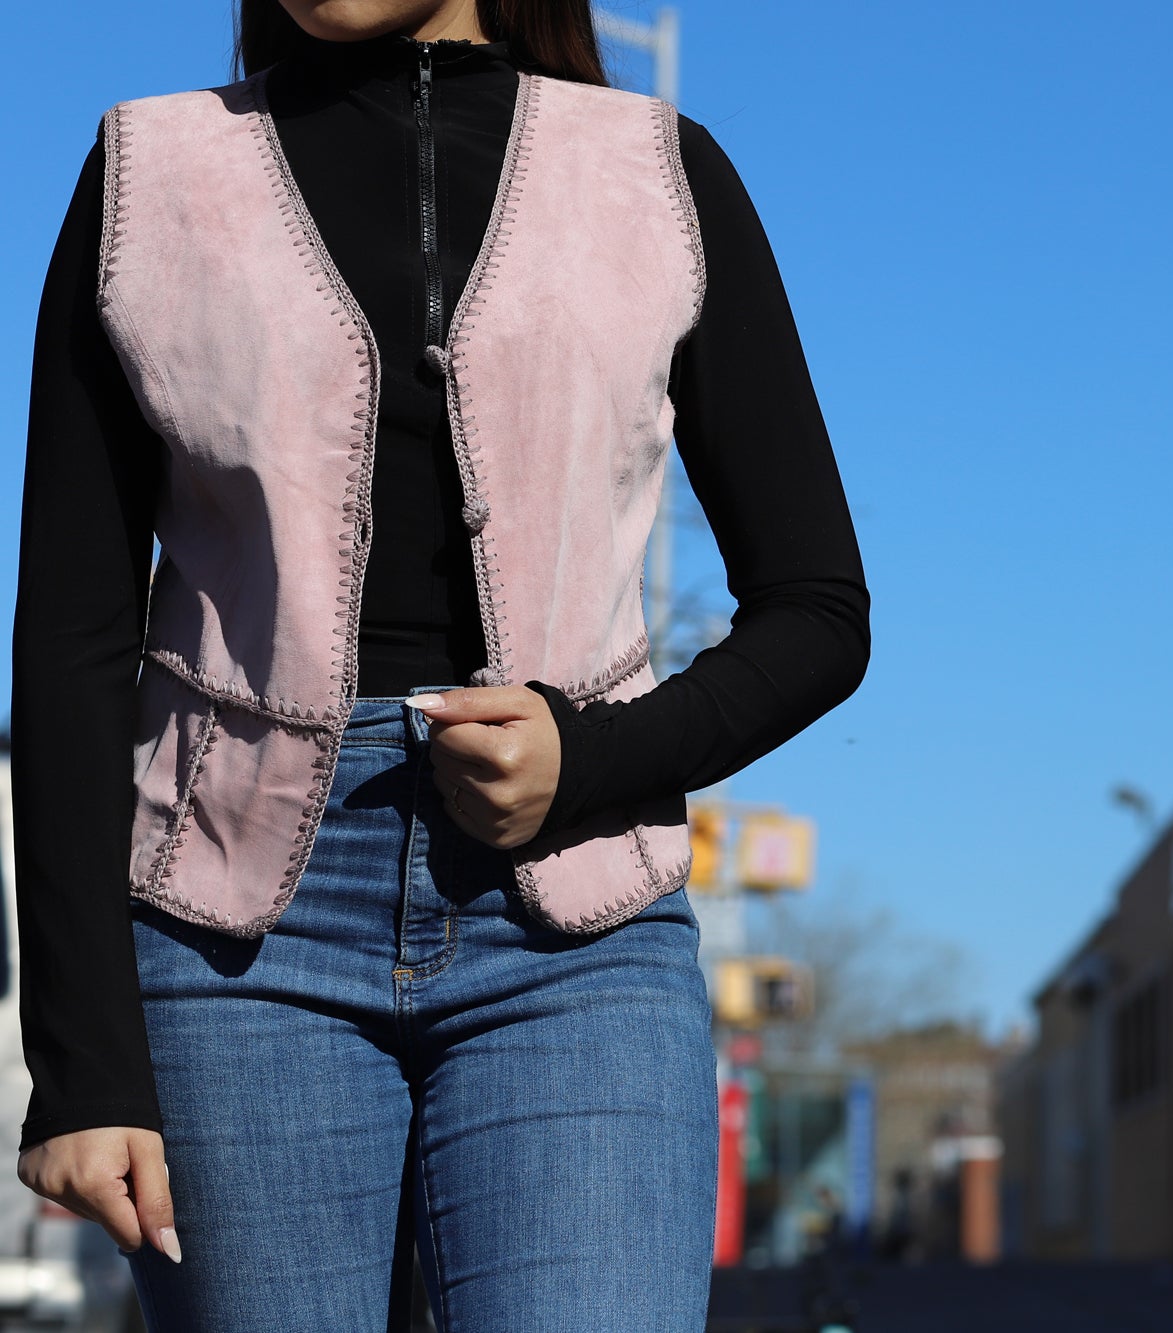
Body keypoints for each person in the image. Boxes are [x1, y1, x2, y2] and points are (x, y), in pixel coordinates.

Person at [11, 0, 870, 1327]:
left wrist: (592, 758)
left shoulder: (657, 171)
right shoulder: (149, 172)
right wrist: (84, 1067)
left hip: (580, 938)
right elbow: (70, 648)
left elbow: (818, 609)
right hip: (233, 943)